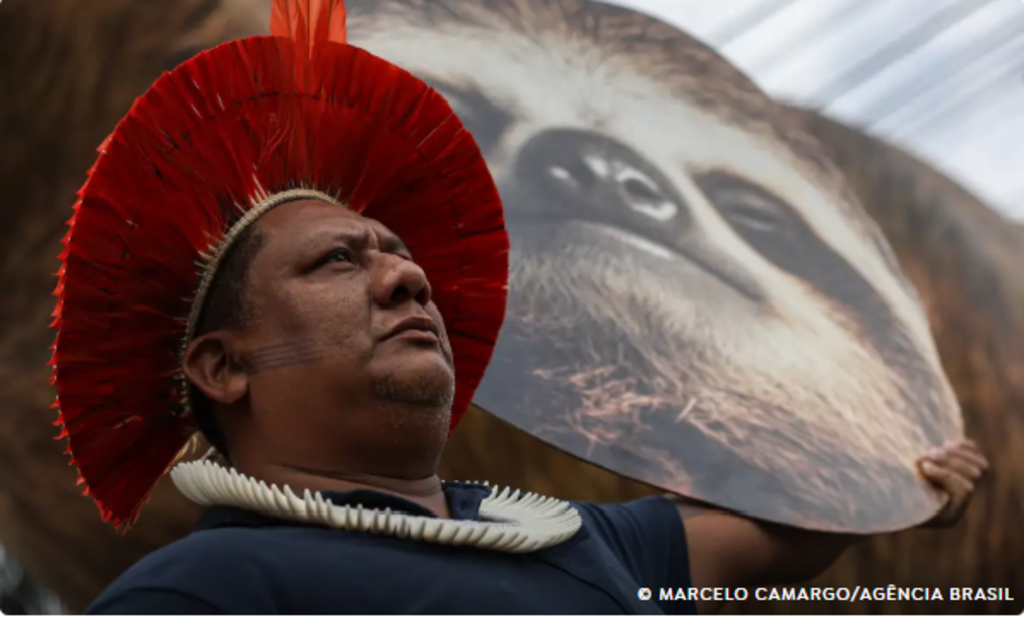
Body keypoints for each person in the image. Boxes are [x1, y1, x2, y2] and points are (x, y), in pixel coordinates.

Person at [49, 1, 988, 614]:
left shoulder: (578, 535)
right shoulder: (202, 591)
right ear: (223, 364)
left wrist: (903, 481)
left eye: (401, 254)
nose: (405, 278)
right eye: (339, 260)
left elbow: (782, 532)